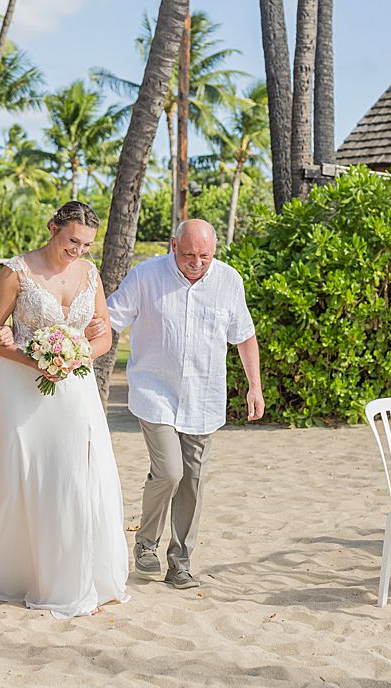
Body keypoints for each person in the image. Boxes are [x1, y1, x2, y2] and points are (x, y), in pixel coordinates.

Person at [0, 201, 129, 618]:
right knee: (19, 471)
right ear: (53, 227)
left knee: (73, 475)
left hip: (75, 389)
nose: (79, 251)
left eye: (86, 244)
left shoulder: (91, 274)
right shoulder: (16, 271)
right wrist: (40, 360)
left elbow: (104, 336)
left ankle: (69, 574)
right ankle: (14, 572)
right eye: (72, 240)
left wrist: (76, 356)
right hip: (19, 387)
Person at [97, 219, 264, 590]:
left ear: (214, 252)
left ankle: (180, 562)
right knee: (170, 472)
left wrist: (255, 386)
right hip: (154, 392)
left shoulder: (228, 281)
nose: (196, 262)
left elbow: (245, 336)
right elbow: (111, 319)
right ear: (173, 245)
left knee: (193, 481)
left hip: (204, 397)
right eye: (188, 254)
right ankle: (145, 543)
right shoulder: (146, 276)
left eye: (204, 256)